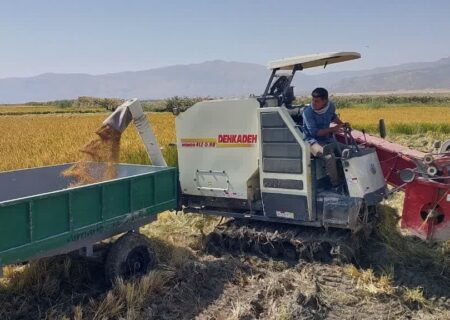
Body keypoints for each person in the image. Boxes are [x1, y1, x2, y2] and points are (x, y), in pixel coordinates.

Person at [302, 87, 347, 157]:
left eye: (316, 101)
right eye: (312, 100)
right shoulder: (307, 113)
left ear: (325, 101)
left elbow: (332, 116)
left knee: (347, 150)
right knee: (328, 155)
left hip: (326, 139)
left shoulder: (331, 107)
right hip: (312, 141)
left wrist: (342, 124)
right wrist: (333, 129)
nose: (313, 103)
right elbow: (315, 133)